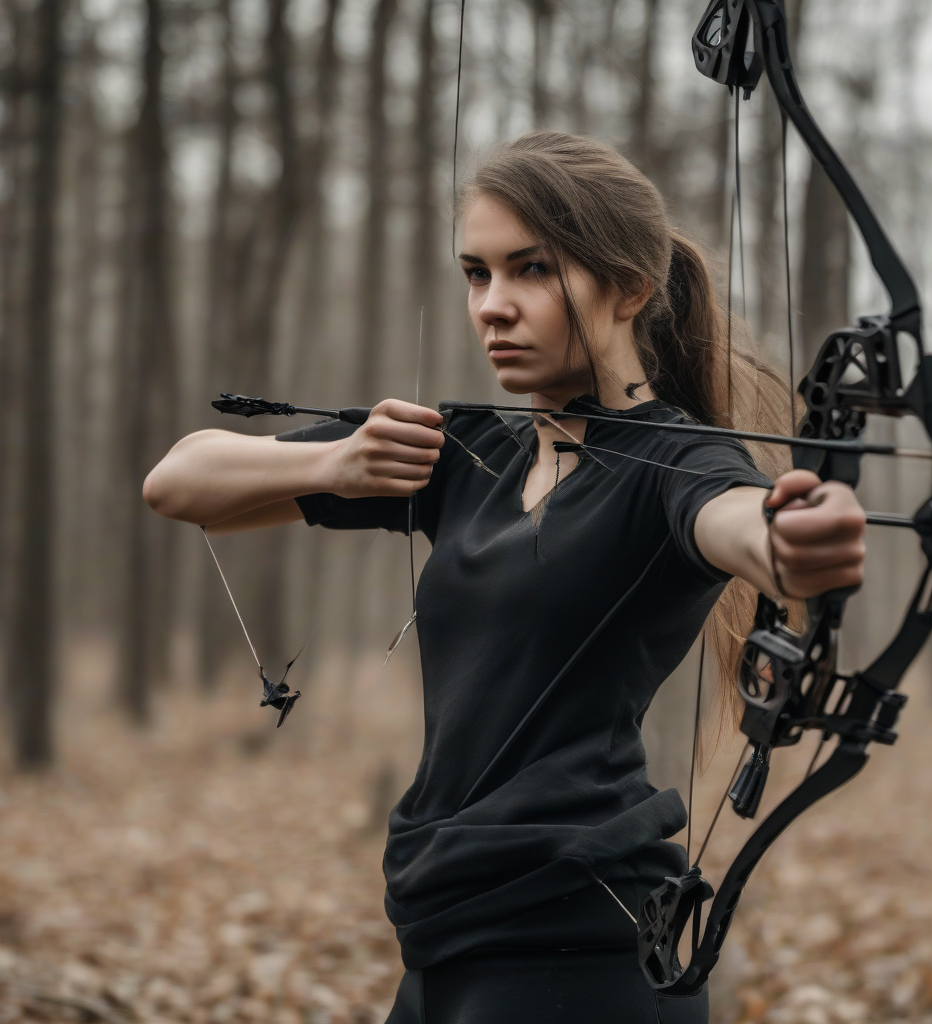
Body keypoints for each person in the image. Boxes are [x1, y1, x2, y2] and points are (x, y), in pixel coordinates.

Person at [144, 132, 866, 1023]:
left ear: (628, 288)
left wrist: (797, 537)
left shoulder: (678, 463)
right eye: (476, 274)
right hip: (444, 935)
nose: (492, 306)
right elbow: (177, 482)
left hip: (580, 946)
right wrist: (335, 465)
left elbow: (741, 522)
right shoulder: (464, 452)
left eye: (530, 270)